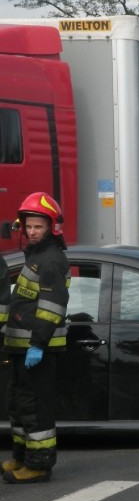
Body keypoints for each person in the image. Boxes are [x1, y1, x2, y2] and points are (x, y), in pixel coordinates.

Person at [2, 192, 70, 484]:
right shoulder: (36, 257)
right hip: (20, 348)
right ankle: (22, 457)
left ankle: (40, 465)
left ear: (51, 228)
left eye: (37, 227)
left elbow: (52, 307)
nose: (31, 232)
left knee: (37, 409)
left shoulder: (51, 260)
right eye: (28, 226)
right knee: (19, 406)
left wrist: (37, 345)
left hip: (37, 350)